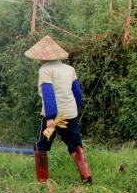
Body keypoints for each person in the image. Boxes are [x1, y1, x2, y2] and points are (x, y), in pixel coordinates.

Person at [25, 35, 92, 184]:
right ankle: (87, 178)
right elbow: (77, 93)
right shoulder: (70, 69)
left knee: (41, 146)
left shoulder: (45, 70)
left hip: (53, 118)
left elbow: (48, 94)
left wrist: (50, 118)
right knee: (75, 146)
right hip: (70, 114)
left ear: (42, 58)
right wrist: (76, 110)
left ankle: (42, 182)